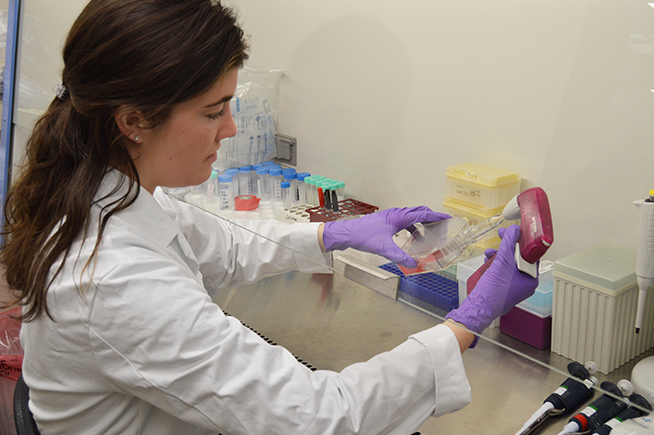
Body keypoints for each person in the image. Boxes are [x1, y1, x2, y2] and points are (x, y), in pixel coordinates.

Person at [0, 0, 538, 434]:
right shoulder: (111, 279)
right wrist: (466, 325)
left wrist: (335, 233)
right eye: (213, 112)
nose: (230, 129)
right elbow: (326, 419)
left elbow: (226, 245)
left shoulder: (103, 184)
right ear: (134, 121)